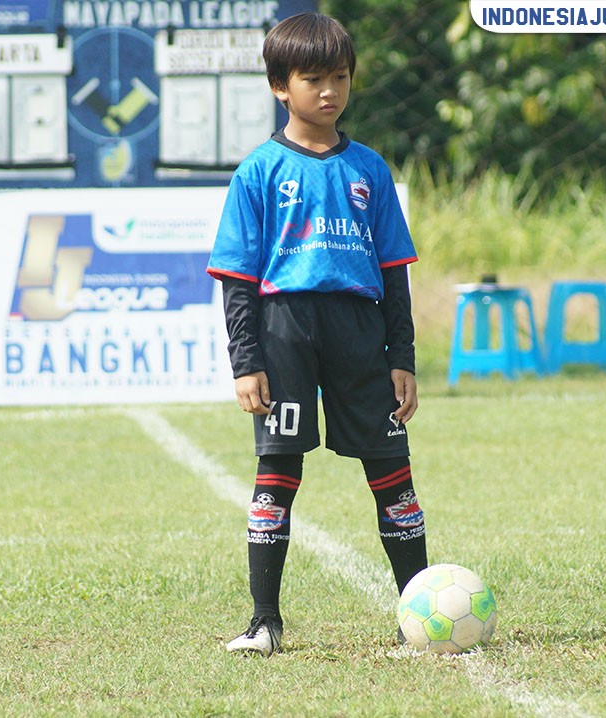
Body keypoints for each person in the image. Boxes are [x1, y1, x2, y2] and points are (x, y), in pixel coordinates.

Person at [206, 12, 428, 656]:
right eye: (313, 79)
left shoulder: (370, 169)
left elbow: (393, 272)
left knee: (392, 468)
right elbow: (239, 280)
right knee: (277, 466)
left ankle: (414, 615)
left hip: (360, 331)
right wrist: (246, 361)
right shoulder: (258, 171)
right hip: (285, 329)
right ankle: (264, 621)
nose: (329, 91)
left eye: (340, 77)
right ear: (280, 86)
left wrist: (402, 355)